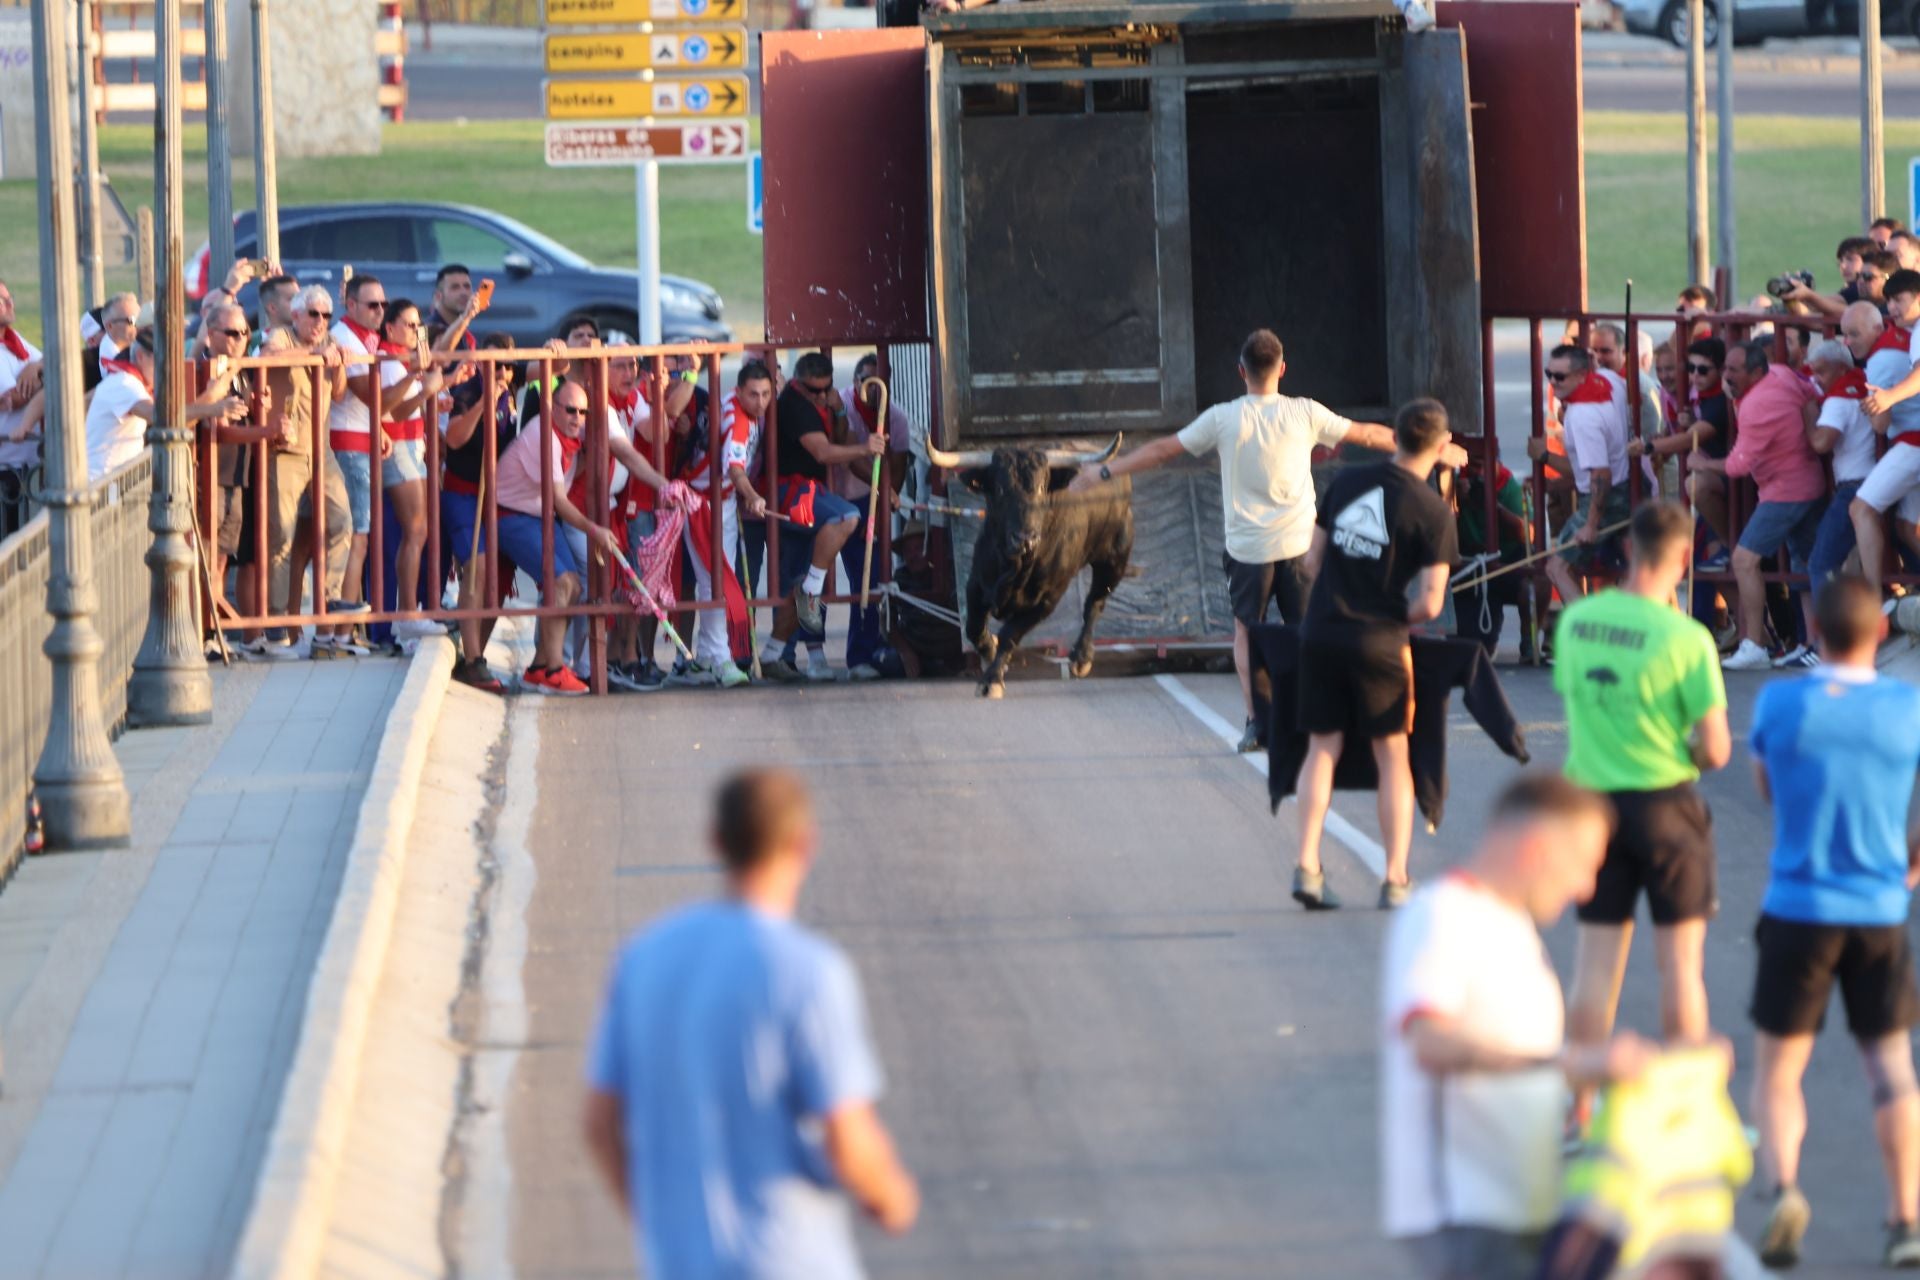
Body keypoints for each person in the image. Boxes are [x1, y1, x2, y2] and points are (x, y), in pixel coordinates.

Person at [583, 769, 919, 1276]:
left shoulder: (642, 958)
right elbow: (849, 1141)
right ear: (804, 845)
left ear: (716, 841)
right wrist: (893, 1197)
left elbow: (599, 1124)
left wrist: (660, 1224)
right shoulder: (809, 973)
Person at [1070, 330, 1463, 752]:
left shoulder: (1223, 418)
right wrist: (1432, 451)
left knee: (1247, 634)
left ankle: (1258, 723)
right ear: (1283, 370)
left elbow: (1164, 450)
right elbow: (1368, 435)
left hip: (1247, 552)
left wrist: (1105, 472)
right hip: (1299, 547)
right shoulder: (1305, 412)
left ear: (1241, 372)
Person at [1383, 773, 1651, 1280]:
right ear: (1535, 848)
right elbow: (1430, 1042)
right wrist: (1569, 1062)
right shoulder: (1444, 915)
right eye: (1583, 864)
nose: (1587, 887)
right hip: (1465, 1212)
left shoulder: (1511, 927)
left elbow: (1521, 1062)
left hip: (1515, 1205)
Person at [1745, 574, 1920, 1270]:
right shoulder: (1906, 708)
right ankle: (1905, 1215)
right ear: (1879, 634)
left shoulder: (1783, 703)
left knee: (1779, 1070)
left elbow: (1763, 787)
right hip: (1879, 910)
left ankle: (1783, 1186)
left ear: (1815, 629)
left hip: (1799, 907)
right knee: (1889, 1069)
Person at [1552, 500, 1731, 1099]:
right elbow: (1716, 748)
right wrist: (1686, 752)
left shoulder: (1578, 623)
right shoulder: (1687, 637)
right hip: (1665, 805)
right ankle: (1686, 1111)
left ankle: (1579, 1106)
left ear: (1628, 550)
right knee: (1680, 967)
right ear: (1683, 558)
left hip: (1593, 807)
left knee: (1595, 967)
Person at [1291, 398, 1459, 910]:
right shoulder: (1433, 511)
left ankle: (1307, 866)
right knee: (1392, 756)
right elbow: (1430, 603)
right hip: (1381, 642)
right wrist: (1386, 613)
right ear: (1440, 446)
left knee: (1322, 748)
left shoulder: (1345, 482)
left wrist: (1340, 593)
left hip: (1321, 631)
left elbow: (1308, 561)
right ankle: (1395, 877)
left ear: (1397, 437)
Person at [1688, 340, 1824, 670]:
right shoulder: (1780, 373)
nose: (1726, 376)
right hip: (1806, 482)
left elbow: (1737, 466)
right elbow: (1811, 393)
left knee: (1744, 560)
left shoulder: (1758, 404)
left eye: (1734, 370)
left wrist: (1702, 463)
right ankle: (1812, 644)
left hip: (1786, 491)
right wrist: (1807, 432)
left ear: (1756, 372)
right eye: (1725, 368)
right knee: (1806, 566)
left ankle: (1755, 644)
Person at [758, 352, 885, 683]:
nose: (819, 395)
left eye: (825, 389)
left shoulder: (821, 401)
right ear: (799, 384)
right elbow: (824, 452)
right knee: (846, 517)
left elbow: (837, 439)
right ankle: (811, 594)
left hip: (807, 494)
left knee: (797, 583)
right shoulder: (793, 405)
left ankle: (774, 653)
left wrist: (838, 407)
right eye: (813, 391)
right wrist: (865, 448)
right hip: (792, 495)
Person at [492, 378, 624, 695]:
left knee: (574, 585)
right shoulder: (545, 435)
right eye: (570, 410)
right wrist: (595, 529)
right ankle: (553, 669)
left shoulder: (571, 439)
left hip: (537, 517)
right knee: (563, 583)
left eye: (582, 412)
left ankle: (540, 667)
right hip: (509, 515)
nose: (577, 417)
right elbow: (559, 501)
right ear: (554, 407)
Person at [260, 284, 360, 655]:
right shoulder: (282, 336)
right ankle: (275, 629)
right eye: (313, 314)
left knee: (342, 521)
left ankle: (331, 601)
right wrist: (316, 354)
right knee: (281, 538)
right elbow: (269, 356)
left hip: (320, 450)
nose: (321, 322)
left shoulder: (329, 339)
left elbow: (337, 393)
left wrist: (339, 361)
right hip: (285, 451)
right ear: (297, 315)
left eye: (326, 315)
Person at [202, 302, 286, 655]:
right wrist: (266, 430)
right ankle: (205, 633)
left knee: (222, 557)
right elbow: (218, 429)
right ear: (211, 335)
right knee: (207, 558)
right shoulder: (210, 369)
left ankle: (216, 631)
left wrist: (256, 407)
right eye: (232, 333)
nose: (239, 340)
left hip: (236, 474)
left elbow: (239, 419)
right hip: (214, 474)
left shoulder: (239, 369)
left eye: (244, 333)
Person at [442, 332, 519, 692]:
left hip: (496, 498)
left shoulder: (514, 393)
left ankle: (476, 652)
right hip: (463, 493)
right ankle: (472, 660)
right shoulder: (467, 392)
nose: (500, 371)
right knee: (476, 569)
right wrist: (485, 402)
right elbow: (454, 438)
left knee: (495, 577)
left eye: (505, 365)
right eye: (491, 364)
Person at [833, 353, 912, 680]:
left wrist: (886, 495)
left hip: (867, 502)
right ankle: (805, 652)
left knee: (869, 579)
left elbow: (898, 466)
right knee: (814, 581)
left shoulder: (896, 418)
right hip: (831, 498)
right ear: (855, 383)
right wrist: (885, 489)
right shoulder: (844, 406)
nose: (876, 391)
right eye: (868, 383)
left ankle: (861, 654)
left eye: (882, 384)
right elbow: (853, 460)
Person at [1542, 345, 1632, 608]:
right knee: (1627, 568)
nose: (1552, 382)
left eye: (1560, 377)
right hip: (1628, 486)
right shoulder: (1609, 380)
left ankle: (1589, 632)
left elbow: (1600, 474)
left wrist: (1591, 524)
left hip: (1607, 498)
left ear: (1582, 375)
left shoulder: (1582, 417)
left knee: (1556, 568)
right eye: (1549, 374)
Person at [328, 274, 390, 637]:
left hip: (360, 441)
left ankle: (342, 629)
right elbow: (370, 395)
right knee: (357, 537)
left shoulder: (363, 336)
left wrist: (379, 427)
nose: (380, 311)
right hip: (349, 447)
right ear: (351, 305)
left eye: (383, 304)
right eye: (372, 305)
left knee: (357, 537)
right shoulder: (345, 337)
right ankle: (340, 630)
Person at [1805, 332, 1882, 588]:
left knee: (1821, 563)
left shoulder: (1837, 400)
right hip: (1875, 482)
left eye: (1821, 372)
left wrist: (1807, 415)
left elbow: (1821, 443)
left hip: (1853, 487)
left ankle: (1831, 627)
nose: (1816, 379)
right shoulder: (1863, 383)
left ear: (1840, 369)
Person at [0, 280, 45, 537]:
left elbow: (47, 360)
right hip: (8, 470)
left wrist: (34, 369)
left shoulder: (14, 342)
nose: (9, 304)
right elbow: (14, 398)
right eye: (1, 301)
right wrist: (45, 381)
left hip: (26, 466)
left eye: (9, 297)